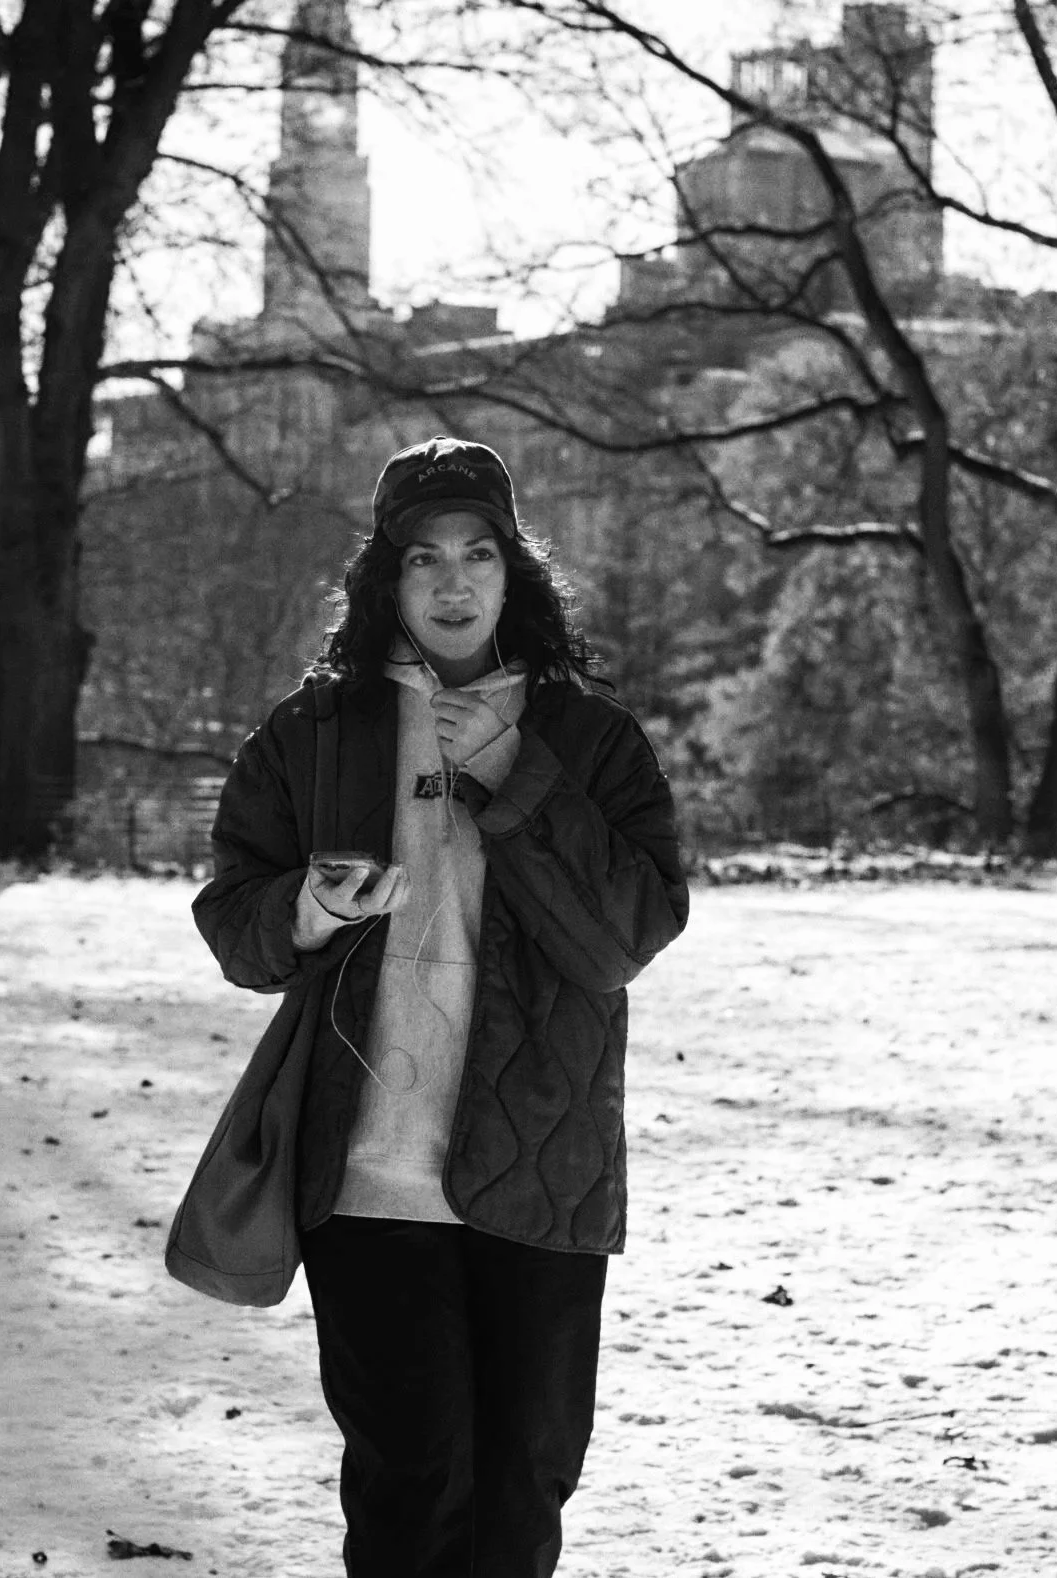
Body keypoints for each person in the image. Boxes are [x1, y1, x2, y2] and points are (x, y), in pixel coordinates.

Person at [192, 435, 690, 1576]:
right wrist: (307, 908)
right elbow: (233, 918)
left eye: (478, 554)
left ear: (515, 573)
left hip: (543, 1168)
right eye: (423, 558)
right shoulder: (313, 734)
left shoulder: (592, 739)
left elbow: (626, 937)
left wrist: (519, 773)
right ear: (387, 578)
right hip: (366, 1176)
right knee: (412, 1487)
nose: (452, 582)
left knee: (523, 1487)